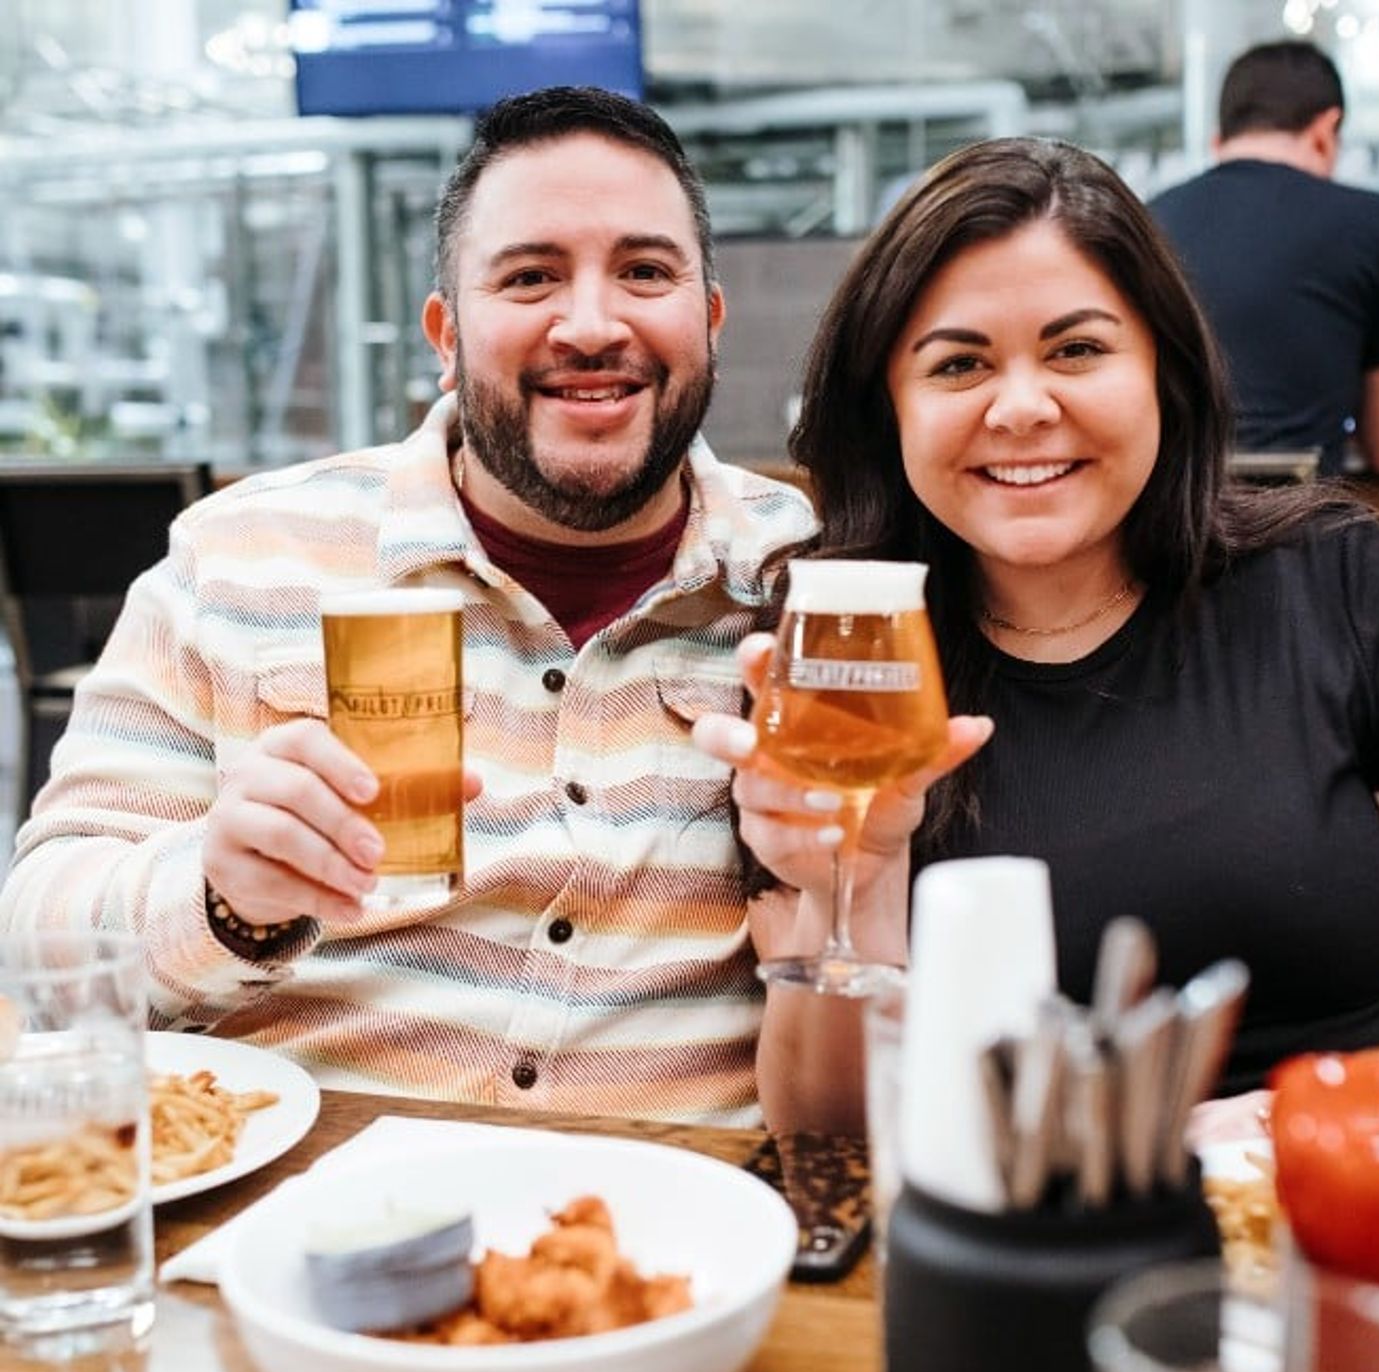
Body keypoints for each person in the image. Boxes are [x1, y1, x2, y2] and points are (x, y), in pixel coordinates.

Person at [0, 87, 815, 1125]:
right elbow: (35, 942)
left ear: (708, 319)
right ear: (445, 333)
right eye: (530, 278)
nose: (593, 324)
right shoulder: (240, 553)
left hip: (671, 1237)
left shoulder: (809, 587)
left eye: (645, 273)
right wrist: (219, 895)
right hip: (293, 1219)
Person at [695, 136, 1379, 1126]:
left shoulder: (1343, 583)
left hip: (1365, 1217)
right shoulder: (841, 658)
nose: (1022, 408)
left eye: (1077, 349)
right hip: (1022, 1250)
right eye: (959, 365)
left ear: (1165, 373)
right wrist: (855, 892)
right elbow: (831, 1134)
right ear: (891, 410)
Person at [1149, 40, 1379, 478]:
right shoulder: (1372, 222)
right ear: (1326, 130)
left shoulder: (1149, 219)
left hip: (1160, 521)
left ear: (1219, 140)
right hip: (1295, 527)